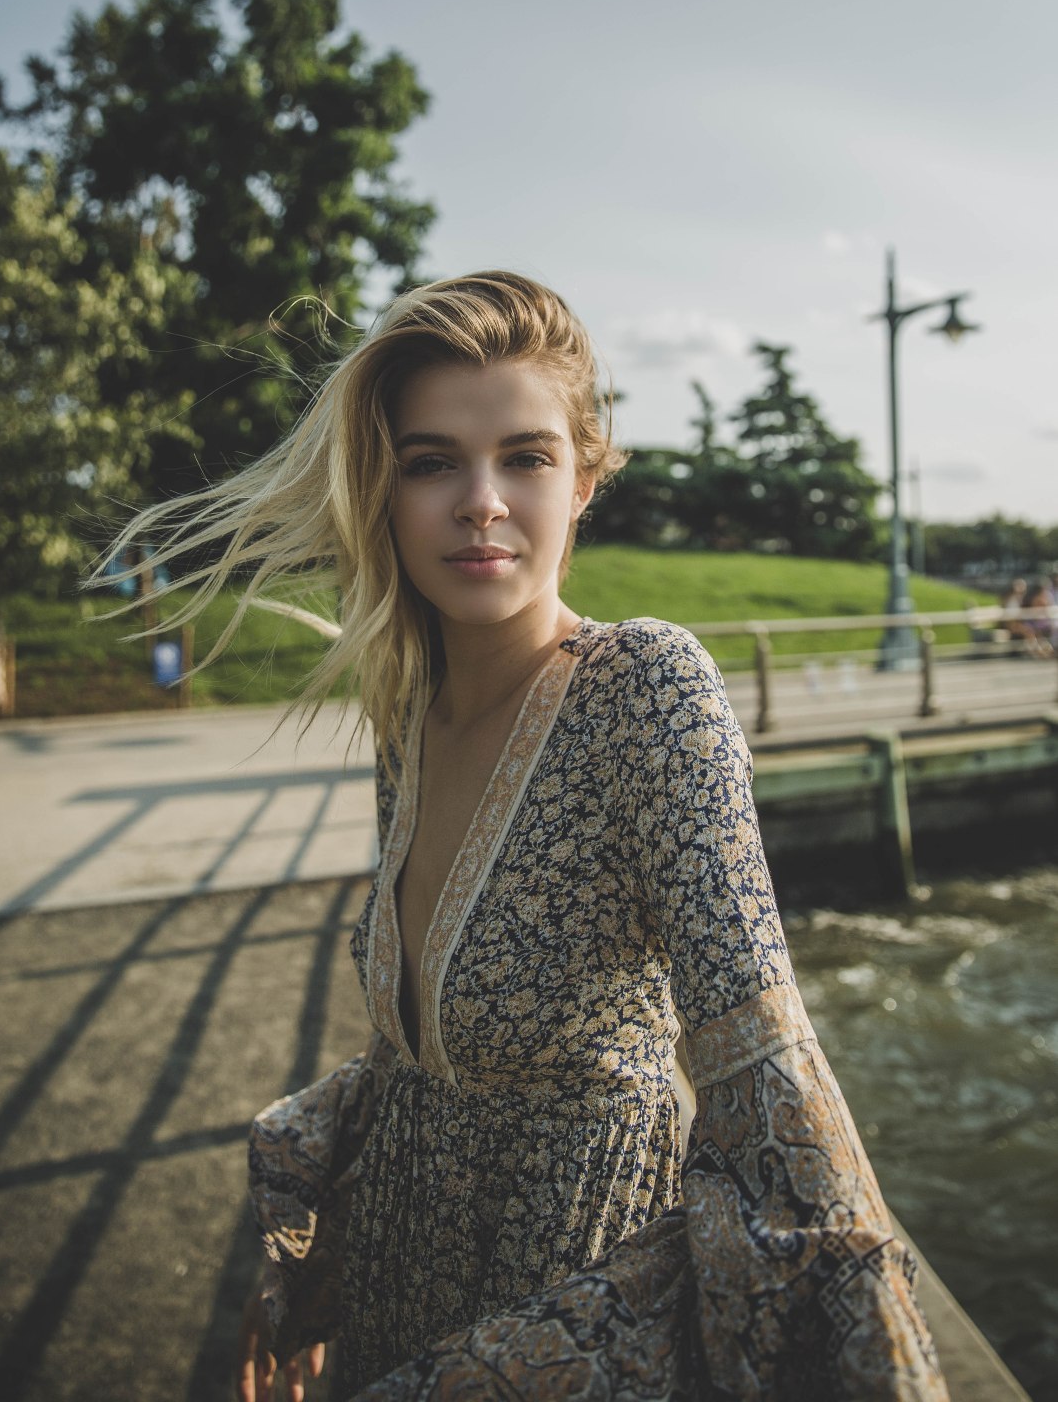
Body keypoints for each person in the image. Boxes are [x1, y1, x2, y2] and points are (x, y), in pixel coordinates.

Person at [100, 272, 946, 1400]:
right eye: (432, 459)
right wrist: (322, 1266)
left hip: (574, 1326)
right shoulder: (406, 711)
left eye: (526, 457)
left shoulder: (646, 689)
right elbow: (415, 1060)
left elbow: (768, 1077)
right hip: (397, 1304)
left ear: (583, 480)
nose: (481, 500)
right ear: (385, 490)